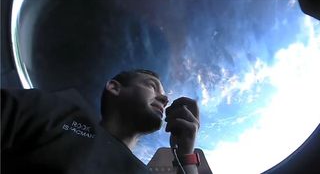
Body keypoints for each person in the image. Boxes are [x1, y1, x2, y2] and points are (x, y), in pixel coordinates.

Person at [1, 69, 200, 174]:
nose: (165, 99)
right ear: (114, 88)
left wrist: (185, 155)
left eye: (164, 96)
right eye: (152, 86)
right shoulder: (59, 112)